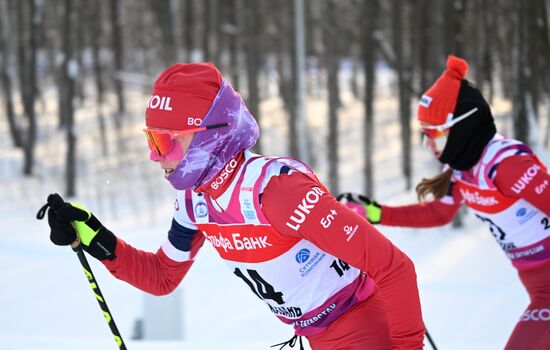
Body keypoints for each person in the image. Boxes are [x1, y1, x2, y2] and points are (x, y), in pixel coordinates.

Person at [38, 63, 425, 349]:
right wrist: (93, 235)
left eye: (164, 141)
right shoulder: (194, 202)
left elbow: (394, 267)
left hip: (364, 325)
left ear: (209, 136)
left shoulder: (276, 191)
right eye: (151, 142)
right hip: (315, 335)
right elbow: (160, 277)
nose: (156, 157)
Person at [338, 56, 550, 350]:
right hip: (538, 285)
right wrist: (374, 213)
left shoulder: (506, 166)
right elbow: (439, 213)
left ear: (462, 127)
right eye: (423, 134)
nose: (427, 144)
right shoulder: (462, 169)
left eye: (433, 133)